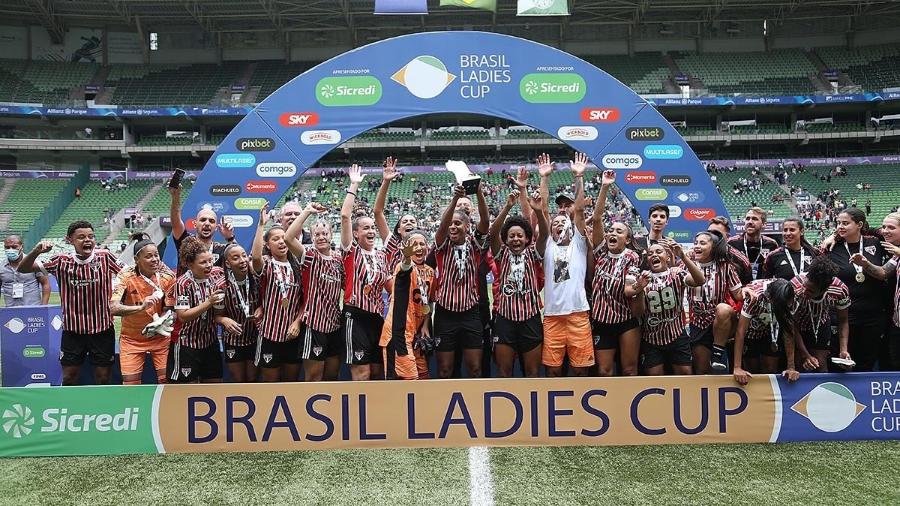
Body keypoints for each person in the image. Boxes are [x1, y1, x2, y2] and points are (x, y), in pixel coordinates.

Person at [18, 221, 121, 385]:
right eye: (81, 237)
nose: (87, 240)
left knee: (103, 377)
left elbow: (128, 274)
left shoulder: (106, 258)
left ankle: (103, 408)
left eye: (91, 236)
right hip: (73, 331)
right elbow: (23, 269)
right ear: (69, 240)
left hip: (102, 329)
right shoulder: (60, 261)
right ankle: (71, 408)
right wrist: (36, 251)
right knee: (69, 377)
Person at [536, 152, 595, 377]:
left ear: (571, 227)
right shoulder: (548, 245)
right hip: (552, 316)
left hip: (578, 314)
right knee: (553, 371)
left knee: (580, 371)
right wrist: (544, 178)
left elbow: (578, 210)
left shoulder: (579, 244)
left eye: (564, 221)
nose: (559, 223)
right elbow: (542, 211)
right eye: (556, 222)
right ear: (551, 230)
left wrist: (579, 176)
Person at [432, 178, 490, 379]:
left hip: (470, 314)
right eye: (451, 224)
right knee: (445, 370)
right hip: (445, 314)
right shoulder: (442, 245)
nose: (452, 227)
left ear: (467, 226)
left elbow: (485, 221)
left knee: (475, 368)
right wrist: (456, 197)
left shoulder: (475, 245)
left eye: (457, 224)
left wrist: (479, 193)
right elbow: (442, 226)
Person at [487, 189, 547, 377]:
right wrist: (507, 206)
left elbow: (544, 234)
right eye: (511, 236)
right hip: (505, 320)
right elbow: (493, 232)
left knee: (533, 373)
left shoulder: (533, 253)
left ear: (527, 238)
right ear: (506, 239)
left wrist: (538, 211)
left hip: (531, 319)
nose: (515, 239)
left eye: (519, 235)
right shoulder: (501, 254)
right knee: (504, 372)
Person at [341, 164, 391, 381]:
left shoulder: (381, 256)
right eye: (366, 228)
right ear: (356, 233)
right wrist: (354, 185)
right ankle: (359, 414)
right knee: (362, 373)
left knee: (379, 373)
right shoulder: (350, 252)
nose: (371, 231)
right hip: (356, 317)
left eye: (373, 228)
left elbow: (391, 287)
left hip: (377, 319)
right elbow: (345, 216)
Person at [285, 201, 344, 382]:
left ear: (331, 235)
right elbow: (288, 238)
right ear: (312, 236)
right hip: (314, 324)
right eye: (316, 234)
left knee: (332, 375)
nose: (321, 237)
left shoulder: (339, 259)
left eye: (324, 233)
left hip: (335, 323)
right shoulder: (310, 256)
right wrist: (307, 211)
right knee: (313, 377)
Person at [590, 171, 643, 377]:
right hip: (602, 321)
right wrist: (604, 187)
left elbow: (629, 290)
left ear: (628, 239)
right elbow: (596, 219)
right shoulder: (601, 251)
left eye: (619, 231)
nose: (612, 233)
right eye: (611, 230)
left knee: (629, 370)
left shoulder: (632, 257)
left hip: (625, 320)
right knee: (604, 371)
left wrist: (639, 287)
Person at [825, 207, 888, 371]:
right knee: (842, 363)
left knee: (867, 362)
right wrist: (832, 237)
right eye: (838, 223)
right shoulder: (833, 247)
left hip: (872, 316)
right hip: (843, 316)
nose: (840, 227)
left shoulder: (875, 242)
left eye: (846, 223)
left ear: (859, 224)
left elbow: (889, 232)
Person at [629, 241, 704, 375]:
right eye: (650, 253)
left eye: (659, 252)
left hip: (677, 335)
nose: (654, 255)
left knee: (685, 374)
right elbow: (637, 312)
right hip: (651, 338)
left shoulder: (677, 274)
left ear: (668, 257)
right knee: (654, 378)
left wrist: (683, 256)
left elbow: (700, 280)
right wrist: (640, 288)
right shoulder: (642, 279)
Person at [110, 233, 176, 385]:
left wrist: (162, 320)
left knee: (165, 382)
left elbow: (170, 307)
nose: (154, 259)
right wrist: (141, 307)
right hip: (132, 339)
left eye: (156, 255)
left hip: (160, 338)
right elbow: (113, 308)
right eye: (148, 256)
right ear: (136, 260)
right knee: (131, 385)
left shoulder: (167, 277)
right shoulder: (125, 276)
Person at [251, 203, 304, 382]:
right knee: (270, 384)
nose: (281, 242)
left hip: (292, 334)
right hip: (270, 334)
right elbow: (256, 258)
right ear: (268, 244)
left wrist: (297, 322)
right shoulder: (266, 263)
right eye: (276, 239)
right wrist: (261, 226)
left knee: (291, 383)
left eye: (284, 238)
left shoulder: (298, 265)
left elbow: (306, 299)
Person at [166, 236, 226, 383]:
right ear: (190, 264)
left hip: (210, 342)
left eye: (210, 260)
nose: (209, 265)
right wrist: (209, 302)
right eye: (203, 262)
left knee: (215, 385)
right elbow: (183, 316)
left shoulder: (217, 274)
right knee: (187, 391)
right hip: (187, 344)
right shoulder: (182, 283)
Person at [380, 230, 435, 380]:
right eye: (414, 244)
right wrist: (405, 258)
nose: (418, 247)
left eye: (422, 244)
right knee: (408, 383)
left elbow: (428, 301)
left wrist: (424, 325)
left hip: (416, 335)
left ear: (427, 247)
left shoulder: (430, 272)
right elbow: (405, 267)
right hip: (399, 336)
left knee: (424, 379)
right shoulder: (403, 267)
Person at [689, 230, 743, 374]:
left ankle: (718, 352)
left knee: (723, 308)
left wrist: (749, 291)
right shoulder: (687, 265)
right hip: (697, 322)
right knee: (703, 370)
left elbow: (738, 294)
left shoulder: (725, 266)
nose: (697, 246)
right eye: (696, 243)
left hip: (720, 321)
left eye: (702, 243)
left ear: (713, 247)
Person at [790, 256, 852, 373]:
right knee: (799, 363)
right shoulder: (795, 287)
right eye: (805, 286)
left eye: (811, 291)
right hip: (797, 326)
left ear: (824, 289)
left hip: (821, 323)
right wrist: (806, 355)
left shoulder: (840, 290)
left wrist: (843, 350)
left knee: (820, 364)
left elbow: (843, 321)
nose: (805, 291)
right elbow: (792, 325)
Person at [733, 278, 799, 381]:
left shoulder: (791, 297)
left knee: (770, 368)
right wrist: (737, 367)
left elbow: (789, 330)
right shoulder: (754, 296)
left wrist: (791, 367)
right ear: (770, 299)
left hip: (772, 329)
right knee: (751, 369)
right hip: (752, 328)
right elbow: (741, 331)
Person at [215, 243, 260, 383]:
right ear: (228, 263)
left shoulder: (257, 279)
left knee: (252, 380)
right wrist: (224, 320)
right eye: (236, 258)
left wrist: (261, 309)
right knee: (238, 380)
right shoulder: (221, 286)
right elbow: (216, 316)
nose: (242, 260)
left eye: (244, 256)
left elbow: (266, 302)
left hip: (254, 338)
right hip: (233, 341)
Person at [169, 177, 234, 273]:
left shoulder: (221, 249)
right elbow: (176, 222)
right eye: (203, 220)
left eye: (211, 221)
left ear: (216, 227)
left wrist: (230, 238)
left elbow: (238, 258)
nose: (207, 223)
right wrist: (176, 197)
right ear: (195, 224)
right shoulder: (186, 242)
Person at [374, 156, 419, 273]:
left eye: (412, 221)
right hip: (395, 290)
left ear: (418, 228)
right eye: (405, 221)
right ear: (399, 230)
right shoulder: (393, 243)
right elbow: (378, 212)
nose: (409, 223)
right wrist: (386, 181)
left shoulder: (423, 247)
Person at [728, 207, 779, 280]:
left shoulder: (771, 244)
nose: (750, 222)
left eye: (754, 219)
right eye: (747, 218)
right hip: (740, 289)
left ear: (764, 224)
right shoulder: (732, 243)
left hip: (763, 288)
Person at [2, 235, 50, 307]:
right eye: (7, 247)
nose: (10, 250)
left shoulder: (37, 262)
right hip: (10, 311)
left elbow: (46, 283)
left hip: (33, 309)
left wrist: (43, 306)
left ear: (21, 246)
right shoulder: (1, 266)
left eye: (14, 247)